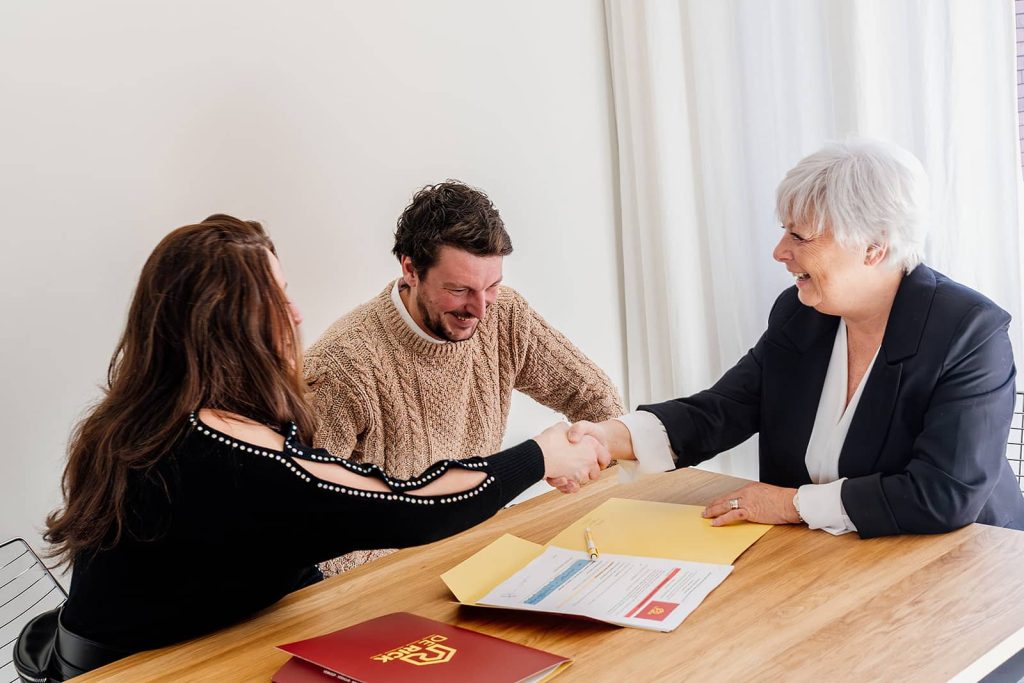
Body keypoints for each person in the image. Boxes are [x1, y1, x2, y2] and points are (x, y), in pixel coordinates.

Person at [15, 215, 608, 682]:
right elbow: (407, 503)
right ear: (224, 321)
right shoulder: (226, 454)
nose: (297, 313)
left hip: (177, 644)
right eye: (277, 297)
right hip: (150, 669)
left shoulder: (147, 417)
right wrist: (539, 456)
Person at [563, 138, 1024, 538]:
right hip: (840, 559)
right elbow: (722, 410)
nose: (780, 251)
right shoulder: (801, 314)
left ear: (873, 247)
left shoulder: (968, 332)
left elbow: (943, 493)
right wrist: (609, 435)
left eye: (799, 235)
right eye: (784, 229)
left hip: (968, 566)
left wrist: (792, 505)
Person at [304, 181, 625, 572]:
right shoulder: (341, 364)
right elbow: (308, 516)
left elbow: (597, 400)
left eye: (492, 286)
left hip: (483, 551)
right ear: (410, 270)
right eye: (459, 290)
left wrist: (592, 455)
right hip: (381, 580)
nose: (480, 309)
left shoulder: (505, 316)